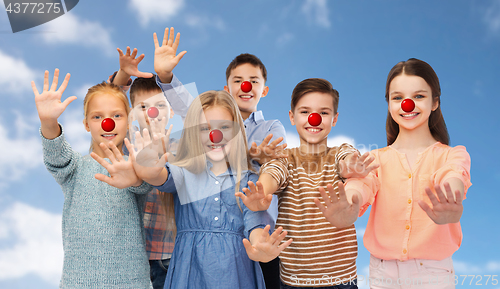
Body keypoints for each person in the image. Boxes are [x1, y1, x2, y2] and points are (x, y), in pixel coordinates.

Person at [153, 30, 287, 286]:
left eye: (253, 81)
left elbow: (278, 157)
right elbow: (190, 108)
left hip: (254, 231)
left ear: (264, 90)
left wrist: (254, 155)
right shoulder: (212, 117)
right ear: (227, 88)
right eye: (238, 80)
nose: (245, 86)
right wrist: (166, 77)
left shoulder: (272, 126)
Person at [125, 90, 292, 289]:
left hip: (236, 275)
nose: (215, 135)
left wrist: (259, 247)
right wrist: (147, 168)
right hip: (189, 275)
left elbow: (255, 225)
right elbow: (160, 177)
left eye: (224, 127)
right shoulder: (184, 171)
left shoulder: (248, 179)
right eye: (205, 128)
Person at [341, 58, 471, 289]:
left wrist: (451, 199)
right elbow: (361, 185)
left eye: (419, 96)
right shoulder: (375, 158)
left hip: (433, 272)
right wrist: (348, 201)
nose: (407, 105)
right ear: (389, 104)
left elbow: (454, 175)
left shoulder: (453, 154)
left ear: (435, 103)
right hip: (382, 272)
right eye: (398, 98)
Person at [238, 78, 374, 288]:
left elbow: (347, 160)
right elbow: (274, 172)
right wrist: (262, 190)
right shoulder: (285, 159)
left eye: (324, 113)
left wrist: (350, 167)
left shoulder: (341, 152)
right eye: (305, 112)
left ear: (334, 119)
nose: (314, 118)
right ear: (292, 117)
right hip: (293, 281)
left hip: (341, 280)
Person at [33, 69, 153, 288]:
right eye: (97, 117)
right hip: (78, 282)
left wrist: (134, 177)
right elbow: (57, 156)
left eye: (117, 115)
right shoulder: (75, 167)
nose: (108, 123)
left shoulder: (135, 164)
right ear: (87, 125)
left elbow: (144, 184)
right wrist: (48, 122)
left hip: (132, 281)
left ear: (128, 121)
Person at [110, 35, 187, 289]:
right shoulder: (125, 143)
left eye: (160, 106)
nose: (151, 112)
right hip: (132, 254)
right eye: (142, 107)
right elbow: (109, 105)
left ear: (172, 109)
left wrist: (166, 77)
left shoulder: (181, 146)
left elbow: (195, 114)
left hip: (169, 252)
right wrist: (123, 75)